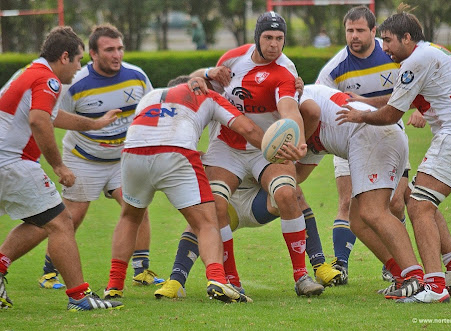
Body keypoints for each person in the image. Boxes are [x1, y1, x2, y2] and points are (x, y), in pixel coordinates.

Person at [336, 4, 451, 303]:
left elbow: (392, 113)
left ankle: (434, 286)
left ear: (407, 38)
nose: (386, 49)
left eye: (389, 41)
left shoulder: (415, 61)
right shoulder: (432, 51)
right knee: (418, 197)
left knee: (419, 205)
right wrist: (365, 99)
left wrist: (361, 115)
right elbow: (402, 96)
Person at [183, 11, 324, 297]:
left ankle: (301, 276)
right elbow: (197, 83)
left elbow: (289, 110)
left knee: (287, 194)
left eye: (280, 38)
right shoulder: (233, 59)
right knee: (216, 204)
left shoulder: (285, 70)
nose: (274, 45)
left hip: (266, 147)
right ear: (257, 38)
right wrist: (208, 73)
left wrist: (295, 137)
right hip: (226, 146)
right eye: (268, 38)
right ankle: (231, 278)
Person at [103, 75, 265, 303]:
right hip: (175, 151)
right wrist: (277, 149)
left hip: (133, 151)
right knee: (207, 222)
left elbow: (151, 128)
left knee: (129, 217)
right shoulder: (205, 94)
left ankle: (114, 286)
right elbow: (247, 128)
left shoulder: (150, 96)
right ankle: (218, 279)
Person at [0, 26, 123, 311]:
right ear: (65, 57)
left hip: (5, 162)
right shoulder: (48, 80)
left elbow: (53, 116)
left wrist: (95, 123)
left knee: (42, 221)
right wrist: (59, 166)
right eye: (79, 60)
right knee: (60, 222)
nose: (80, 68)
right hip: (12, 163)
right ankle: (79, 297)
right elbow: (39, 120)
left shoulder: (29, 72)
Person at [38, 24, 164, 290]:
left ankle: (141, 270)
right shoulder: (75, 83)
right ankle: (49, 272)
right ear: (93, 53)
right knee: (72, 215)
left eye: (119, 48)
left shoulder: (137, 76)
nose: (116, 54)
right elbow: (52, 117)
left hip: (122, 160)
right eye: (109, 49)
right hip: (84, 159)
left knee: (137, 207)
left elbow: (151, 110)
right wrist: (92, 126)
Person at [285, 84, 426, 300]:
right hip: (380, 134)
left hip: (370, 133)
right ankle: (400, 273)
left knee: (374, 212)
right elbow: (297, 176)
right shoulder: (302, 127)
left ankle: (415, 277)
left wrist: (297, 143)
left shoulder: (300, 100)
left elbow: (312, 113)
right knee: (358, 221)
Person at [315, 5, 425, 284]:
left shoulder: (393, 53)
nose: (354, 36)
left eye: (360, 30)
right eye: (349, 30)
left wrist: (422, 109)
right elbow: (317, 106)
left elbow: (421, 83)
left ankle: (401, 267)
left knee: (396, 202)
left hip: (390, 134)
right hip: (348, 136)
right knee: (348, 204)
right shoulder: (335, 69)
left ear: (374, 31)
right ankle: (341, 265)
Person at [156, 176, 342, 299]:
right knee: (202, 218)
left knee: (293, 192)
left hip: (258, 199)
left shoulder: (265, 119)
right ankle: (177, 281)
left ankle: (317, 268)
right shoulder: (217, 116)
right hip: (227, 201)